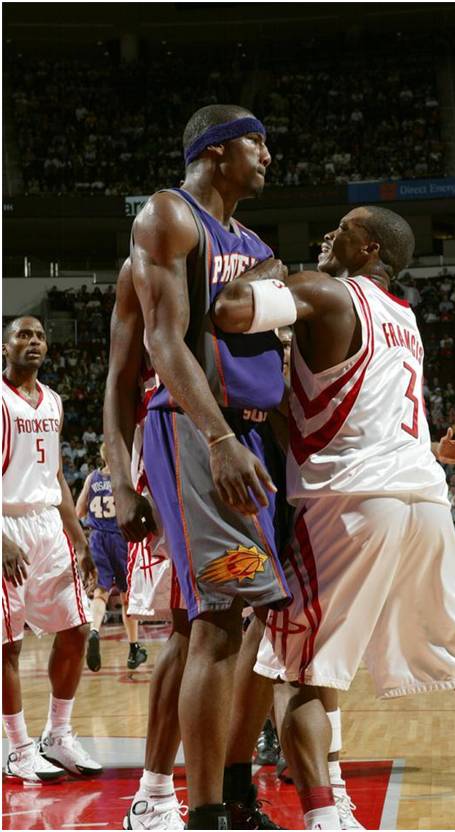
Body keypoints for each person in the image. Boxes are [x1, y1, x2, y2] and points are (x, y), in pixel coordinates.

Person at [213, 206, 455, 830]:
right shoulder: (406, 318)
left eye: (342, 229)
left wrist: (265, 264)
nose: (328, 234)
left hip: (348, 502)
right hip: (423, 499)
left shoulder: (326, 292)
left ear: (368, 247)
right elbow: (369, 408)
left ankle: (326, 817)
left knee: (299, 671)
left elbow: (229, 308)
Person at [105, 105, 294, 831]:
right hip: (195, 432)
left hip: (251, 437)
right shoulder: (167, 216)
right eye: (257, 142)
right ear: (216, 150)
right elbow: (150, 353)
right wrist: (127, 475)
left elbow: (273, 357)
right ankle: (207, 812)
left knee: (235, 624)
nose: (267, 155)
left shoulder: (255, 244)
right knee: (216, 619)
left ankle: (218, 793)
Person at [2, 317, 102, 782]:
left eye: (40, 336)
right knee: (8, 644)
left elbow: (57, 475)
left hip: (48, 524)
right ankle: (18, 748)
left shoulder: (54, 401)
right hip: (6, 523)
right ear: (5, 347)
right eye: (23, 335)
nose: (33, 342)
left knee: (77, 627)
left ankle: (57, 735)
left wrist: (80, 538)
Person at [75, 442, 147, 672]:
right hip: (120, 538)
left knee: (100, 593)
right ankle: (134, 649)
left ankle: (95, 630)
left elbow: (78, 511)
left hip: (97, 538)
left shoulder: (92, 478)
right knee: (127, 596)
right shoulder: (124, 479)